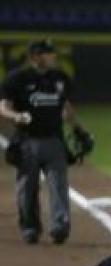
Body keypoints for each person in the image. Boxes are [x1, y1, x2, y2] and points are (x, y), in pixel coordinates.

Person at [0, 39, 86, 245]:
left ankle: (60, 226)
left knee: (58, 185)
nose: (53, 57)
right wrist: (16, 116)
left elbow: (66, 107)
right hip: (26, 141)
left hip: (55, 141)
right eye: (48, 53)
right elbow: (3, 107)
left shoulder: (60, 78)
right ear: (35, 56)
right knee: (27, 188)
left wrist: (78, 130)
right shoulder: (17, 79)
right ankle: (30, 227)